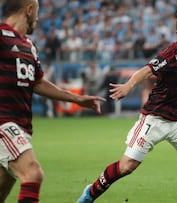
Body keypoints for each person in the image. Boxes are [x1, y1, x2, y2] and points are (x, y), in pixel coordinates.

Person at [77, 13, 177, 203]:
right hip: (154, 119)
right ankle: (91, 192)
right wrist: (128, 86)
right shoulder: (169, 56)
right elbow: (145, 71)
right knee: (127, 166)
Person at [0, 1, 106, 202]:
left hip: (22, 126)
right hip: (4, 123)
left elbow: (38, 82)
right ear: (29, 10)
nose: (38, 18)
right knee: (33, 173)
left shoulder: (28, 45)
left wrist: (76, 98)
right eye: (37, 12)